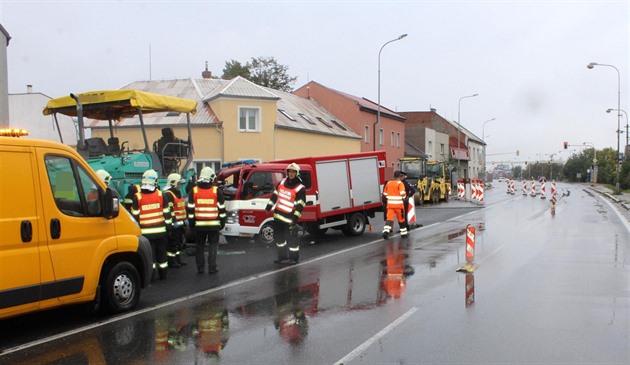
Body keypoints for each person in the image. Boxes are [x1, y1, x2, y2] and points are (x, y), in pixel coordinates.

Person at [130, 169, 174, 280]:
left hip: (145, 234)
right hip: (160, 232)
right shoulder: (161, 195)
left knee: (150, 256)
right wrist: (169, 228)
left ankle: (152, 276)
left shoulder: (137, 197)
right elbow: (167, 214)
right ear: (155, 180)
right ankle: (163, 274)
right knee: (162, 254)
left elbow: (134, 217)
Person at [187, 167, 226, 274]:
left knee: (200, 247)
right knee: (213, 246)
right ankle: (212, 267)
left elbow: (190, 210)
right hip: (214, 225)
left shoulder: (194, 191)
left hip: (199, 225)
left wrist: (191, 224)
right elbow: (222, 209)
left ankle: (200, 268)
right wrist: (222, 222)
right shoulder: (216, 191)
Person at [265, 163, 306, 265]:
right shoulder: (282, 182)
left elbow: (301, 205)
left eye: (293, 172)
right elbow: (275, 195)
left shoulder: (300, 188)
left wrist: (295, 218)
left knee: (292, 240)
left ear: (297, 173)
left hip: (290, 219)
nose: (291, 174)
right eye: (289, 171)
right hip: (278, 217)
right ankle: (282, 257)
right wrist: (269, 206)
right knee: (280, 239)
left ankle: (294, 259)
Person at [163, 173, 187, 268]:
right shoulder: (168, 194)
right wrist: (174, 221)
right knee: (172, 244)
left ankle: (178, 260)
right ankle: (172, 262)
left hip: (180, 223)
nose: (179, 185)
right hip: (173, 224)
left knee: (178, 243)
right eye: (178, 183)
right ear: (173, 183)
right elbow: (170, 210)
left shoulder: (177, 193)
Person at [382, 171, 408, 239]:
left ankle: (386, 231)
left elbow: (385, 194)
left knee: (389, 219)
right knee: (401, 219)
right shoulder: (400, 183)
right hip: (399, 205)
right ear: (399, 176)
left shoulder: (389, 183)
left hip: (390, 205)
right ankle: (404, 233)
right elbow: (402, 193)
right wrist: (404, 197)